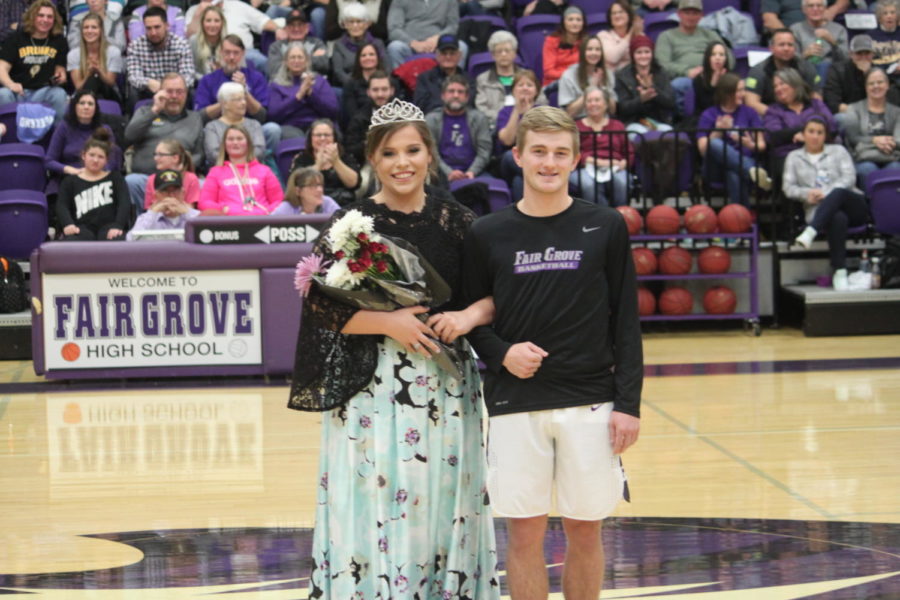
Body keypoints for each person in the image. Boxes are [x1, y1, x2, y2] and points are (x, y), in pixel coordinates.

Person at [288, 97, 499, 598]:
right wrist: (389, 322)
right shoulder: (350, 225)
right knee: (374, 494)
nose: (401, 163)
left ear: (429, 153)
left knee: (440, 497)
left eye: (412, 150)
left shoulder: (459, 221)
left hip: (445, 385)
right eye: (389, 154)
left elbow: (495, 297)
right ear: (372, 161)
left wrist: (467, 315)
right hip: (372, 389)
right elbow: (320, 309)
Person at [462, 105, 642, 600]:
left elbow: (626, 320)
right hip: (515, 402)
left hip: (591, 399)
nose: (548, 162)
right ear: (517, 156)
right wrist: (502, 354)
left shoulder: (605, 225)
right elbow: (473, 318)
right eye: (538, 151)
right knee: (524, 533)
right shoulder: (487, 233)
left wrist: (628, 404)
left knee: (586, 529)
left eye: (560, 153)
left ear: (576, 159)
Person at [787, 116, 868, 291]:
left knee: (838, 192)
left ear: (825, 135)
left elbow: (849, 178)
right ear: (803, 134)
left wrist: (826, 192)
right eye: (811, 132)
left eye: (820, 132)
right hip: (818, 209)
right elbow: (788, 187)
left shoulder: (838, 151)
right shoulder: (793, 157)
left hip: (853, 204)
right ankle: (840, 271)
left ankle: (810, 232)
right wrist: (806, 194)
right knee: (837, 218)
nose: (815, 136)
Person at [123, 72, 204, 210]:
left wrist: (181, 169)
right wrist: (155, 110)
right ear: (159, 92)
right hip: (147, 178)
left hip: (182, 180)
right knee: (131, 181)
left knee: (202, 184)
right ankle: (140, 227)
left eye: (179, 92)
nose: (174, 96)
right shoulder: (145, 112)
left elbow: (198, 154)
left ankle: (190, 228)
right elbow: (129, 136)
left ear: (186, 94)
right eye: (169, 92)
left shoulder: (195, 118)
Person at [697, 73, 770, 206]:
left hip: (740, 164)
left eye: (743, 90)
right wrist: (718, 131)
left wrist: (750, 145)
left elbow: (761, 145)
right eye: (739, 90)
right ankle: (749, 170)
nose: (743, 94)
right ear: (726, 93)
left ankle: (742, 219)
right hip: (715, 168)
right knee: (714, 143)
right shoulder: (709, 114)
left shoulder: (750, 112)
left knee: (733, 172)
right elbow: (702, 149)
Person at [656, 0, 729, 119]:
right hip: (685, 78)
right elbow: (662, 64)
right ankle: (681, 120)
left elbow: (728, 56)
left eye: (695, 13)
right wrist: (687, 71)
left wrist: (713, 69)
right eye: (687, 12)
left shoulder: (710, 35)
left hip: (712, 74)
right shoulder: (666, 36)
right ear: (679, 14)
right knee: (679, 84)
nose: (691, 16)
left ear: (701, 15)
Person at [0, 0, 69, 122]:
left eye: (49, 17)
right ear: (32, 17)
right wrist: (11, 84)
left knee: (59, 94)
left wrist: (60, 77)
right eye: (40, 15)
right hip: (19, 91)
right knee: (4, 94)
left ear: (54, 20)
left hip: (44, 91)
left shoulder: (59, 41)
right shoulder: (16, 38)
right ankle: (6, 136)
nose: (45, 20)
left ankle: (58, 136)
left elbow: (60, 70)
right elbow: (2, 68)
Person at [56, 130, 130, 241]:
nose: (95, 160)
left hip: (109, 228)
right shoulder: (70, 181)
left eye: (101, 157)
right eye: (91, 155)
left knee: (117, 239)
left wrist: (118, 225)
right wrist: (68, 224)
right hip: (80, 228)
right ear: (83, 155)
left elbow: (124, 203)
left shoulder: (116, 178)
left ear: (107, 160)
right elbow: (62, 205)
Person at [45, 90, 123, 196]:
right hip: (69, 178)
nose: (86, 107)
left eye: (90, 104)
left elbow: (112, 162)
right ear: (75, 106)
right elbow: (49, 161)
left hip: (99, 181)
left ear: (95, 108)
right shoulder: (64, 127)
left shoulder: (104, 130)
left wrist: (92, 175)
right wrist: (71, 170)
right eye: (82, 103)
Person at [199, 123, 283, 215]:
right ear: (225, 145)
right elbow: (205, 202)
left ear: (248, 144)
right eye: (230, 139)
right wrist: (224, 209)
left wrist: (266, 211)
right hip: (229, 224)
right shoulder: (216, 172)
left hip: (261, 221)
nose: (235, 142)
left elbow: (278, 201)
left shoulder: (265, 170)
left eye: (239, 139)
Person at [569, 87, 633, 206]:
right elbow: (571, 152)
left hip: (616, 166)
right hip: (584, 167)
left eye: (597, 100)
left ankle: (619, 216)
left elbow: (628, 151)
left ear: (605, 104)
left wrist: (625, 162)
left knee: (621, 182)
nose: (593, 104)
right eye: (589, 101)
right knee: (588, 185)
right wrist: (594, 161)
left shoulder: (618, 125)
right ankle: (600, 217)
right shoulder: (576, 127)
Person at [762, 67, 836, 169]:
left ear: (795, 84)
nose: (778, 89)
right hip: (787, 155)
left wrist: (805, 136)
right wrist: (811, 131)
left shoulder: (815, 104)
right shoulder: (774, 110)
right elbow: (774, 136)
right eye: (775, 86)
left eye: (782, 84)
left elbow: (831, 127)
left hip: (820, 152)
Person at [425, 74, 493, 183]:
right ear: (443, 95)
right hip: (440, 174)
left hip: (475, 173)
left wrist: (471, 172)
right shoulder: (431, 119)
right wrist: (449, 173)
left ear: (467, 97)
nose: (456, 95)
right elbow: (431, 152)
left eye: (460, 92)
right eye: (451, 91)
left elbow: (484, 151)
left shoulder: (479, 118)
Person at [125, 6, 195, 109]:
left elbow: (188, 77)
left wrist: (168, 87)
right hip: (148, 90)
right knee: (133, 92)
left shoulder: (181, 45)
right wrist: (148, 82)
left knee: (191, 92)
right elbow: (133, 77)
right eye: (149, 28)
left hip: (175, 90)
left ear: (167, 26)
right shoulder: (135, 46)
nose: (153, 32)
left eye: (157, 27)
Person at [842, 67, 900, 187]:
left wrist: (888, 143)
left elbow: (898, 139)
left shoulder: (897, 112)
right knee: (867, 169)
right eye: (871, 83)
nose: (876, 86)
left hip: (890, 156)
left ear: (887, 85)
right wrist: (874, 140)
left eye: (880, 82)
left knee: (895, 168)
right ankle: (871, 205)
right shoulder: (853, 109)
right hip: (864, 157)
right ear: (866, 87)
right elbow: (853, 138)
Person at [184, 0, 278, 72]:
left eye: (217, 21)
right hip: (211, 54)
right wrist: (198, 14)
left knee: (260, 60)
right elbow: (189, 37)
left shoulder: (237, 5)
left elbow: (264, 22)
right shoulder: (193, 11)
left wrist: (278, 30)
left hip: (245, 53)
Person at [269, 42, 339, 140]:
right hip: (290, 126)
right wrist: (298, 96)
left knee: (322, 134)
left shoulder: (319, 81)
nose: (296, 61)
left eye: (300, 57)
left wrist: (311, 94)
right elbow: (273, 114)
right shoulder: (276, 84)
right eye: (292, 57)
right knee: (299, 139)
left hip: (317, 124)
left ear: (307, 61)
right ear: (285, 61)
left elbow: (333, 111)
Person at [745, 29, 820, 117]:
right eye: (781, 45)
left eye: (790, 45)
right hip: (770, 115)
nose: (786, 48)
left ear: (795, 48)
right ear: (771, 48)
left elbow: (816, 98)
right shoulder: (759, 71)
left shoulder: (806, 67)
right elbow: (751, 102)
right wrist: (781, 116)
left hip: (802, 114)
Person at [497, 69, 546, 204]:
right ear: (513, 91)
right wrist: (517, 111)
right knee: (510, 155)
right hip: (511, 161)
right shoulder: (505, 111)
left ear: (536, 90)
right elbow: (507, 140)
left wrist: (529, 112)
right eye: (520, 85)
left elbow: (542, 141)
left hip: (537, 158)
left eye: (529, 85)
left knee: (519, 181)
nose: (525, 88)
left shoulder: (543, 112)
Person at [193, 34, 269, 120]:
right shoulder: (207, 80)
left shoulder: (256, 77)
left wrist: (245, 91)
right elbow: (200, 116)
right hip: (218, 126)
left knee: (271, 128)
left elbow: (262, 116)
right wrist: (227, 101)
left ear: (243, 53)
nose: (231, 57)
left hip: (249, 126)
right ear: (221, 53)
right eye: (227, 52)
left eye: (236, 53)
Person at [289, 118, 361, 206]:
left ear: (334, 137)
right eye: (318, 135)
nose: (323, 138)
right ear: (311, 138)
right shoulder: (302, 158)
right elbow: (296, 184)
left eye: (327, 135)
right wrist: (318, 165)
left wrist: (336, 162)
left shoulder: (345, 157)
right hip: (310, 206)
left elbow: (354, 183)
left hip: (343, 204)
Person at [615, 34, 676, 133]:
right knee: (641, 135)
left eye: (647, 52)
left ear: (652, 53)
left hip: (659, 120)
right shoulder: (622, 76)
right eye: (639, 52)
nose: (643, 56)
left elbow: (670, 102)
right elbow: (622, 108)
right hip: (633, 122)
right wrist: (641, 99)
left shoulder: (661, 72)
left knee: (669, 133)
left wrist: (652, 88)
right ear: (632, 55)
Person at [203, 81, 268, 169]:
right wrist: (237, 162)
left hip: (252, 171)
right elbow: (213, 155)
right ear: (225, 104)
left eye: (244, 99)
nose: (244, 103)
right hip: (223, 173)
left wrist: (240, 162)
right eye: (238, 99)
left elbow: (259, 151)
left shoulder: (254, 124)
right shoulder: (212, 127)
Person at [386, 0, 466, 69]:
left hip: (439, 45)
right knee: (395, 47)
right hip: (410, 45)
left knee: (462, 47)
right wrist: (413, 43)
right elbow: (394, 29)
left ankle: (455, 82)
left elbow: (453, 26)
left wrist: (438, 38)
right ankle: (399, 83)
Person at [476, 31, 534, 124]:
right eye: (499, 51)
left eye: (507, 50)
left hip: (525, 123)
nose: (503, 54)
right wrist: (504, 119)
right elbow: (481, 108)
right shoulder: (483, 79)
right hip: (494, 125)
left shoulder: (527, 76)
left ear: (514, 53)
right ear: (493, 55)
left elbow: (540, 102)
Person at [127, 168, 200, 240]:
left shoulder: (195, 215)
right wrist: (153, 212)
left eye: (176, 191)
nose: (171, 196)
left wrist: (186, 213)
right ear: (156, 196)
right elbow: (130, 239)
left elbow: (206, 232)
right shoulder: (147, 218)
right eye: (165, 191)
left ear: (183, 193)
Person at [824, 35, 880, 126]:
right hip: (847, 113)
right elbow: (833, 104)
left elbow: (883, 101)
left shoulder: (877, 73)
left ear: (872, 55)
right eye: (859, 53)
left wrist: (868, 75)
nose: (863, 57)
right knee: (844, 119)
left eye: (867, 53)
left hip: (873, 114)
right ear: (851, 54)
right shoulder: (837, 70)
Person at [344, 70, 396, 165]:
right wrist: (370, 142)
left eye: (384, 89)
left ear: (392, 91)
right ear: (368, 92)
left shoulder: (403, 115)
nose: (380, 94)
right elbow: (350, 149)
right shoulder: (359, 118)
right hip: (368, 165)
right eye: (375, 90)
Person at [68, 13, 123, 101]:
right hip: (82, 93)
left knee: (95, 80)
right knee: (92, 80)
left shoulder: (114, 51)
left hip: (108, 93)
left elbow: (111, 82)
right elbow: (78, 87)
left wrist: (99, 71)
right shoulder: (73, 54)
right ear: (81, 31)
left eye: (94, 27)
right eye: (86, 27)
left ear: (101, 30)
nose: (89, 31)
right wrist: (88, 74)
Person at [329, 2, 386, 89]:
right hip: (349, 87)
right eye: (351, 22)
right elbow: (338, 72)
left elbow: (386, 68)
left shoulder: (378, 43)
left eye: (359, 21)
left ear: (367, 24)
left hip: (376, 87)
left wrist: (373, 84)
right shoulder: (339, 45)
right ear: (345, 25)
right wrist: (356, 86)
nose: (355, 25)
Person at [559, 36, 617, 119]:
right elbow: (569, 112)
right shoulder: (569, 75)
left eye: (598, 49)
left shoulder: (608, 73)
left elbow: (613, 110)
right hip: (578, 122)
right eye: (589, 49)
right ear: (582, 52)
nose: (594, 53)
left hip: (603, 121)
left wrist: (603, 88)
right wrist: (591, 88)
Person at [790, 0, 849, 80]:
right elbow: (789, 60)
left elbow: (845, 59)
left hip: (831, 74)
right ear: (804, 9)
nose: (815, 9)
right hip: (804, 71)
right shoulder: (795, 29)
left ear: (825, 8)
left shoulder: (839, 29)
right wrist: (805, 54)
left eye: (819, 6)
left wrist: (832, 41)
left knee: (825, 65)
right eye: (811, 6)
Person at [414, 34, 473, 115]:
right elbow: (420, 106)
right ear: (437, 55)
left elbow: (470, 104)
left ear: (459, 55)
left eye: (452, 53)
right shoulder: (425, 79)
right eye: (444, 53)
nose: (448, 57)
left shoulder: (469, 79)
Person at [339, 42, 392, 129]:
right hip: (361, 127)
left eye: (371, 54)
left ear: (378, 57)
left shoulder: (390, 81)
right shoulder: (350, 84)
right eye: (363, 55)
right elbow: (351, 114)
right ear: (358, 59)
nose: (368, 58)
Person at [266, 9, 329, 78]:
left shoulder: (317, 43)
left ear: (307, 28)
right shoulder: (276, 46)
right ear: (285, 28)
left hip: (313, 84)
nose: (296, 29)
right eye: (292, 25)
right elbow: (274, 69)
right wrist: (309, 59)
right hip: (285, 86)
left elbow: (324, 65)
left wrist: (287, 62)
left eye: (300, 25)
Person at [143, 138, 200, 209]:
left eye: (160, 154)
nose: (155, 158)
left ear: (175, 158)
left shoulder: (191, 178)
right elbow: (149, 209)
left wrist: (175, 207)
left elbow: (191, 208)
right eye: (155, 154)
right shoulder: (152, 179)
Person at [542, 6, 586, 87]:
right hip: (555, 83)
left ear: (583, 23)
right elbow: (548, 72)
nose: (575, 23)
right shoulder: (551, 41)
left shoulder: (586, 42)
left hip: (579, 83)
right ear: (564, 22)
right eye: (570, 19)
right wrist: (570, 75)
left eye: (578, 20)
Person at [272, 167, 340, 215]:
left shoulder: (328, 203)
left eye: (320, 185)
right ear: (298, 191)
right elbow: (268, 226)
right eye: (312, 186)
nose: (320, 190)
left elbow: (344, 225)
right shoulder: (287, 208)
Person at [692, 41, 734, 117]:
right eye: (713, 54)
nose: (717, 58)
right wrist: (713, 85)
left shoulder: (732, 78)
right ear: (707, 58)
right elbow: (706, 107)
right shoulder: (699, 79)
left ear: (726, 59)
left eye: (721, 55)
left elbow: (732, 104)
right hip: (704, 118)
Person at [598, 0, 641, 72]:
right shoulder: (603, 35)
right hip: (611, 79)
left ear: (629, 15)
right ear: (610, 18)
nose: (617, 16)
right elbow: (613, 58)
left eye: (621, 12)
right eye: (613, 13)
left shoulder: (638, 35)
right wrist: (630, 32)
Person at [188, 3, 226, 78]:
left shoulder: (228, 42)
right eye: (208, 21)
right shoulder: (193, 41)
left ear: (222, 23)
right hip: (201, 84)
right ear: (202, 23)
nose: (212, 25)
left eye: (217, 21)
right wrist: (207, 80)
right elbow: (190, 70)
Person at [870, 0, 900, 74]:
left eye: (892, 13)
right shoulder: (870, 36)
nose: (889, 16)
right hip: (878, 73)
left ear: (897, 16)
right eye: (885, 13)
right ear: (879, 18)